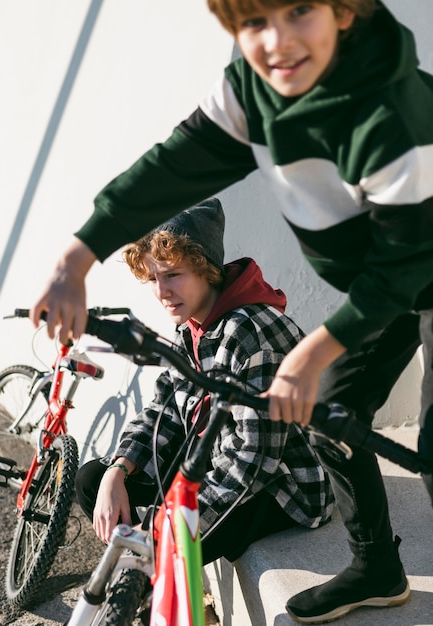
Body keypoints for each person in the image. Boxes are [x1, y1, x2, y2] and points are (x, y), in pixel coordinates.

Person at [30, 1, 433, 623]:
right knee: (335, 406)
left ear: (345, 11)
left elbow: (403, 264)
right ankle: (376, 564)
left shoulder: (393, 115)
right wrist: (77, 258)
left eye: (299, 11)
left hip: (414, 265)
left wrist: (314, 347)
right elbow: (172, 166)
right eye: (252, 22)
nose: (275, 41)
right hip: (380, 281)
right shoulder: (254, 86)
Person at [75, 198, 333, 568]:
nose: (161, 291)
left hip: (282, 487)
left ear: (205, 269)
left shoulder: (249, 332)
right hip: (215, 457)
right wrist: (119, 468)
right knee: (92, 480)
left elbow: (254, 461)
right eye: (153, 278)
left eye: (173, 274)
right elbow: (162, 410)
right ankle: (145, 574)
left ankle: (145, 582)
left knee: (159, 543)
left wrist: (171, 520)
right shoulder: (192, 325)